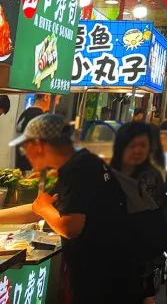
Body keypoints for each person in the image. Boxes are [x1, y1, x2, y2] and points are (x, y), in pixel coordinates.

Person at [0, 114, 141, 303]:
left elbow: (69, 227)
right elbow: (39, 207)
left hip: (103, 279)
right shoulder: (80, 163)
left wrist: (43, 208)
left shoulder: (78, 169)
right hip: (110, 274)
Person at [111, 122, 167, 304]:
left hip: (137, 260)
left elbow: (144, 221)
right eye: (132, 145)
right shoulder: (109, 172)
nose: (137, 150)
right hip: (114, 259)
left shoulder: (149, 177)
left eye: (143, 146)